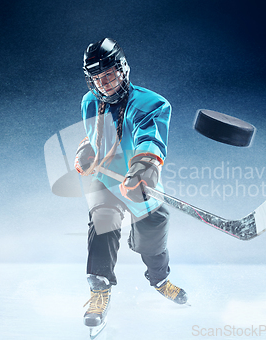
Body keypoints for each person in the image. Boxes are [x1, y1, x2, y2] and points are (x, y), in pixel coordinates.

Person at [74, 37, 188, 328]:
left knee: (155, 227)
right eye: (97, 78)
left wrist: (143, 170)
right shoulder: (90, 102)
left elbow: (149, 138)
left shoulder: (152, 104)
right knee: (103, 220)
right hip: (105, 181)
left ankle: (160, 280)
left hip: (138, 180)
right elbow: (94, 138)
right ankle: (99, 290)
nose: (104, 83)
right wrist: (86, 152)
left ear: (122, 70)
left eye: (109, 74)